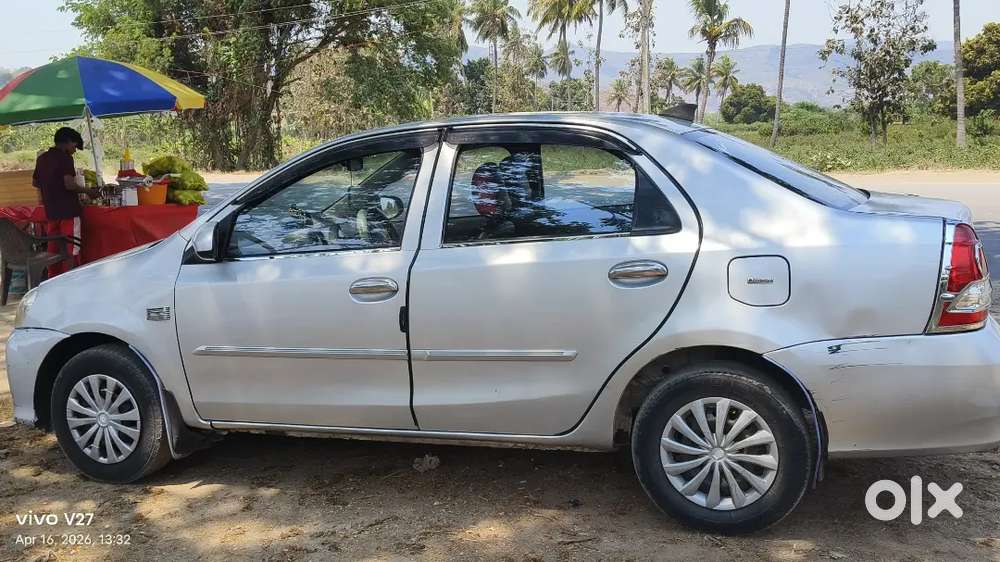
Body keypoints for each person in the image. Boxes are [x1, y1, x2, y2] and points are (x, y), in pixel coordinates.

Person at [32, 127, 90, 276]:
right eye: (74, 146)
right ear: (68, 141)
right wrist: (88, 191)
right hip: (69, 212)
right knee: (72, 249)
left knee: (54, 250)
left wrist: (49, 193)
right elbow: (69, 184)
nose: (74, 151)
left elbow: (36, 183)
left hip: (51, 212)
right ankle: (72, 279)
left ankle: (53, 279)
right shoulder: (65, 158)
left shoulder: (42, 159)